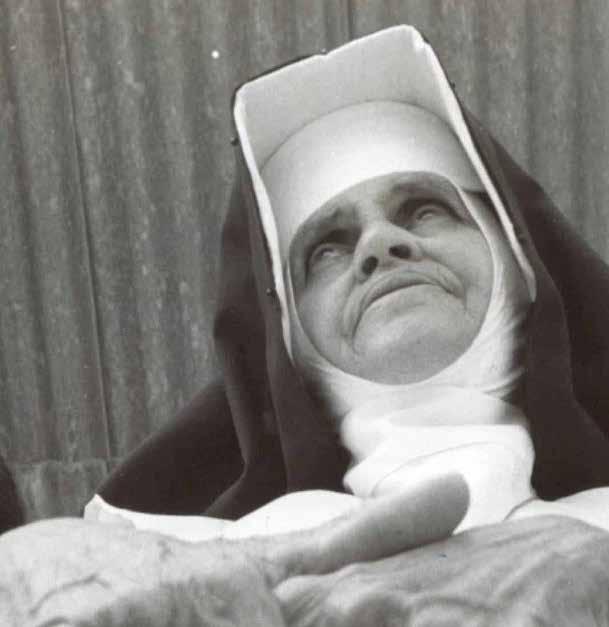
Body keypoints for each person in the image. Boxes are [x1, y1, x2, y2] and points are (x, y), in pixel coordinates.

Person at [90, 25, 609, 538]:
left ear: (518, 258)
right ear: (288, 341)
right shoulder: (195, 562)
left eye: (424, 209)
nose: (379, 243)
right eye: (326, 249)